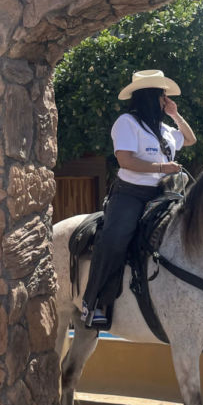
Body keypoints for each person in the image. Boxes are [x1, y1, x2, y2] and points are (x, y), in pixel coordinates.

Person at [80, 69, 195, 330]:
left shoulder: (165, 129)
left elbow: (189, 139)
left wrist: (175, 114)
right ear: (150, 96)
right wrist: (162, 167)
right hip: (131, 193)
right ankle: (95, 302)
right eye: (162, 95)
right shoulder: (127, 123)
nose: (164, 99)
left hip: (164, 194)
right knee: (114, 240)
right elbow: (126, 160)